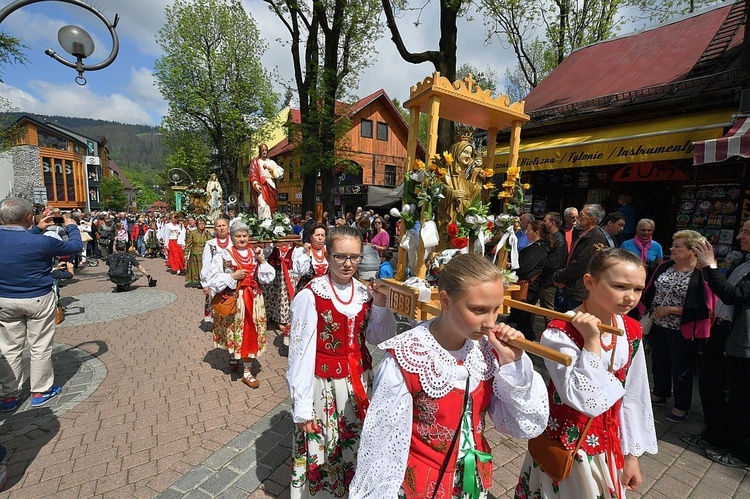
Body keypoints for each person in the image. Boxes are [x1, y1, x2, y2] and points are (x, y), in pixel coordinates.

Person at [351, 253, 548, 498]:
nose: (490, 322)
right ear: (445, 300)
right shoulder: (408, 355)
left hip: (471, 482)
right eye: (478, 310)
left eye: (496, 310)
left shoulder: (488, 353)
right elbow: (382, 442)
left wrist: (513, 363)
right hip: (421, 485)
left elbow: (523, 426)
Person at [516, 247, 658, 498]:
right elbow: (584, 399)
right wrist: (591, 342)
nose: (630, 297)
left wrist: (631, 455)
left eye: (637, 289)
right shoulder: (560, 332)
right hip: (567, 447)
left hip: (609, 446)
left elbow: (634, 394)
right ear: (589, 282)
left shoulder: (631, 329)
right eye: (620, 286)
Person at [287, 225, 397, 499]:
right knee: (324, 446)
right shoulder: (311, 295)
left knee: (357, 445)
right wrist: (302, 406)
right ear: (328, 254)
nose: (348, 264)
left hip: (359, 381)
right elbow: (299, 353)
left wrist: (381, 303)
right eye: (340, 256)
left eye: (354, 257)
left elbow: (377, 337)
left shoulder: (362, 293)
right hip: (324, 387)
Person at [0, 198, 82, 412]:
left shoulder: (29, 238)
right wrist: (71, 225)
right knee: (40, 346)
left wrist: (36, 229)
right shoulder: (44, 242)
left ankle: (9, 395)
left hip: (5, 300)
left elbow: (16, 244)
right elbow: (75, 246)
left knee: (8, 348)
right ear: (28, 217)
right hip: (37, 297)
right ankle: (40, 390)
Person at [688, 222, 750, 467]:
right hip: (723, 332)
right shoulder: (743, 261)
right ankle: (714, 436)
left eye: (746, 232)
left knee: (740, 397)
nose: (739, 236)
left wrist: (711, 265)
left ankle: (740, 452)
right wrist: (707, 267)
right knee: (710, 383)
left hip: (741, 340)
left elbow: (734, 296)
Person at [638, 230, 713, 424]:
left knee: (681, 368)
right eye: (673, 244)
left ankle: (681, 406)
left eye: (677, 246)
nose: (671, 248)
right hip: (658, 324)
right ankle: (660, 393)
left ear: (692, 251)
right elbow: (650, 290)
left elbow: (705, 309)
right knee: (658, 360)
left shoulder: (702, 274)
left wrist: (672, 309)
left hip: (683, 329)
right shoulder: (665, 267)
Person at [205, 221, 275, 387]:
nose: (242, 239)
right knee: (235, 330)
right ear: (232, 237)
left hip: (254, 298)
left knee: (250, 332)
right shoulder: (224, 254)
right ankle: (233, 355)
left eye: (245, 235)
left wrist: (262, 260)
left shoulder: (254, 253)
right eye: (238, 236)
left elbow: (268, 278)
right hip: (235, 299)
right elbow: (212, 279)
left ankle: (247, 371)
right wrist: (232, 277)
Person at [553, 204, 608, 311]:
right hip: (571, 288)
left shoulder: (596, 238)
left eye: (581, 215)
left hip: (579, 291)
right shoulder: (582, 234)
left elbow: (580, 264)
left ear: (591, 219)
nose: (577, 218)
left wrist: (558, 276)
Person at [438, 140, 484, 246]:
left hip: (463, 228)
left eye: (470, 154)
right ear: (456, 153)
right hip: (447, 225)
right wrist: (450, 195)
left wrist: (477, 178)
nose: (468, 156)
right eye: (465, 152)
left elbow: (473, 197)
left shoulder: (465, 180)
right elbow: (436, 200)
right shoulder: (444, 176)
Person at [515, 220, 554, 340]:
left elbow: (524, 268)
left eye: (529, 230)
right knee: (524, 316)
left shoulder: (537, 249)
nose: (526, 233)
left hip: (529, 287)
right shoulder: (537, 247)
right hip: (531, 286)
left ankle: (526, 340)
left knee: (524, 317)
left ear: (536, 232)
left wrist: (513, 268)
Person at [201, 218, 232, 325]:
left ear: (228, 227)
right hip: (215, 279)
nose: (222, 228)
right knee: (217, 302)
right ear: (215, 229)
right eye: (219, 226)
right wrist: (205, 283)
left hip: (231, 278)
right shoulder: (210, 244)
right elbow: (206, 264)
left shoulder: (234, 241)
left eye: (224, 225)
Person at [538, 212, 568, 311]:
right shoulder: (549, 237)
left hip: (550, 280)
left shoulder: (559, 240)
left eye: (545, 221)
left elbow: (553, 264)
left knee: (548, 310)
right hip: (545, 279)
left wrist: (539, 270)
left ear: (552, 223)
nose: (543, 223)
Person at [248, 143, 284, 219]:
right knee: (262, 204)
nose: (264, 152)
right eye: (262, 150)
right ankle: (262, 223)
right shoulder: (256, 162)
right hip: (261, 184)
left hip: (270, 184)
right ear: (260, 151)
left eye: (266, 150)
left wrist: (272, 169)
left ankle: (271, 221)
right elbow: (252, 174)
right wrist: (255, 183)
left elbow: (280, 173)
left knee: (272, 205)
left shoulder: (271, 162)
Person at [293, 222, 328, 292]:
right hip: (307, 291)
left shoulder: (328, 251)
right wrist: (307, 254)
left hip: (326, 290)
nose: (320, 238)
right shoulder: (302, 251)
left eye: (323, 235)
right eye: (317, 235)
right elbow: (299, 272)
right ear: (310, 237)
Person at [184, 218, 211, 287]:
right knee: (197, 268)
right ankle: (199, 281)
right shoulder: (193, 233)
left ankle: (205, 280)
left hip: (205, 253)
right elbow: (188, 244)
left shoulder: (207, 232)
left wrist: (208, 235)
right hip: (195, 253)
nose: (202, 225)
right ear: (197, 225)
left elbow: (211, 241)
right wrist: (186, 254)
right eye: (200, 224)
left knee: (204, 267)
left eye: (203, 224)